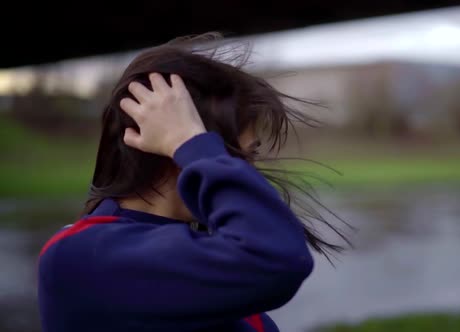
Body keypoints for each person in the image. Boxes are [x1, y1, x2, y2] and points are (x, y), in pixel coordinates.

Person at [37, 33, 347, 332]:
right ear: (170, 146)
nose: (246, 172)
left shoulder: (191, 246)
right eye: (237, 156)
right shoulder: (83, 257)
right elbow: (280, 258)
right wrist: (192, 142)